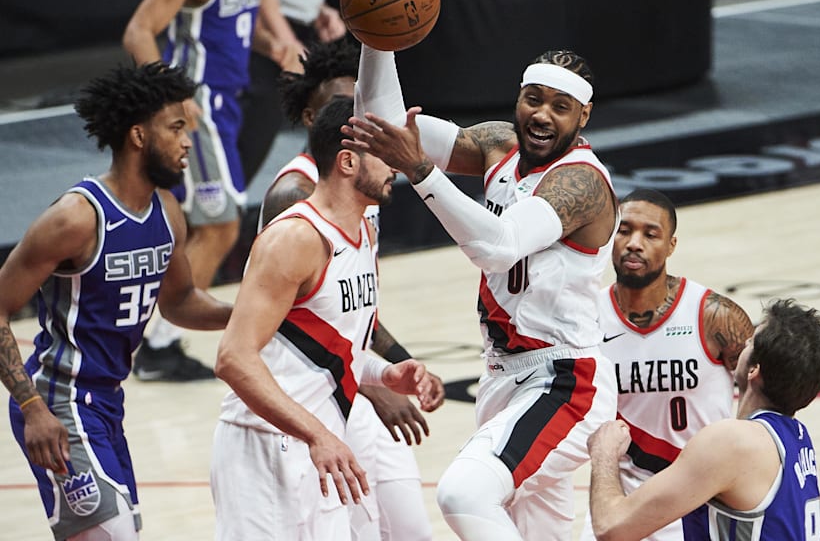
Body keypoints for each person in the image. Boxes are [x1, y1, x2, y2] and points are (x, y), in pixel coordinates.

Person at [344, 46, 619, 540]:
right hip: (502, 377)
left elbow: (499, 246)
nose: (541, 114)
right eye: (533, 98)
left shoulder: (582, 182)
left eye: (560, 106)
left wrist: (423, 172)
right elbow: (380, 124)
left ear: (584, 115)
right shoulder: (498, 143)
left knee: (464, 493)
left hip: (564, 381)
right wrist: (376, 40)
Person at [1, 62, 232, 540]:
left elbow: (181, 301)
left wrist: (256, 312)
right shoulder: (76, 217)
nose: (188, 141)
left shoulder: (167, 211)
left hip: (107, 402)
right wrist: (32, 407)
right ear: (138, 136)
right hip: (59, 400)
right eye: (175, 129)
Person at [210, 96, 435, 540]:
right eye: (385, 156)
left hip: (325, 440)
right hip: (266, 443)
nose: (397, 166)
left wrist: (385, 374)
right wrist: (317, 435)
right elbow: (233, 359)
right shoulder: (295, 237)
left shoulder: (364, 232)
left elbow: (330, 348)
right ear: (348, 161)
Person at [261, 37, 444, 541]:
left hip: (349, 374)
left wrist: (398, 368)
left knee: (410, 529)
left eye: (358, 109)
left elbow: (353, 309)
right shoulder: (296, 200)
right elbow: (291, 324)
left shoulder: (365, 191)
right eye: (339, 112)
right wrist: (375, 389)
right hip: (313, 390)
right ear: (311, 121)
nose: (355, 121)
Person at [122, 0, 304, 381]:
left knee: (192, 224)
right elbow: (138, 31)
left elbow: (238, 24)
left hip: (229, 100)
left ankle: (152, 335)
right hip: (197, 106)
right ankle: (158, 347)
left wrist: (272, 46)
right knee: (220, 225)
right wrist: (173, 97)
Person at [580, 188, 755, 541]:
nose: (633, 243)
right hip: (622, 496)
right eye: (624, 230)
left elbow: (761, 403)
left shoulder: (714, 316)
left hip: (702, 496)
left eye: (650, 233)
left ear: (671, 245)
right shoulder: (584, 318)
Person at [588, 298, 820, 541]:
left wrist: (604, 455)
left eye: (749, 342)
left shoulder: (734, 443)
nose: (742, 345)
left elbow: (612, 528)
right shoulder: (798, 439)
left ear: (754, 370)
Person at [237, 0, 419, 183]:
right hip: (268, 33)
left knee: (319, 138)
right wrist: (287, 42)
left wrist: (318, 10)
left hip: (302, 27)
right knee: (251, 144)